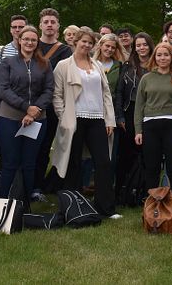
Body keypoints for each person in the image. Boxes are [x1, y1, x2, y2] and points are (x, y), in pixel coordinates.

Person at [51, 26, 119, 219]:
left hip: (97, 119)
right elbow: (57, 95)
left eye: (90, 43)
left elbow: (106, 93)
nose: (87, 45)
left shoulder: (96, 65)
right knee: (73, 164)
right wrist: (63, 117)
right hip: (75, 120)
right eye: (83, 42)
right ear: (76, 42)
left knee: (104, 163)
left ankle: (105, 208)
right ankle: (71, 206)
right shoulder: (64, 65)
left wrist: (110, 120)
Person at [0, 25, 54, 198]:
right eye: (26, 39)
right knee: (10, 162)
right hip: (9, 118)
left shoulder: (45, 64)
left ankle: (25, 200)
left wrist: (34, 111)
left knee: (29, 162)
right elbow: (3, 89)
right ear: (19, 40)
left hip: (37, 119)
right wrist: (25, 107)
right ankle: (5, 199)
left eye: (33, 40)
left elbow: (49, 90)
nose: (29, 42)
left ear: (37, 43)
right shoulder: (8, 62)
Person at [134, 43, 172, 199]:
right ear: (155, 57)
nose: (162, 58)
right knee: (152, 167)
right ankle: (152, 204)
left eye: (166, 55)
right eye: (159, 55)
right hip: (150, 126)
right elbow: (139, 105)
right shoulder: (146, 78)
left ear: (171, 57)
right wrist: (138, 130)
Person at [32, 8, 72, 201]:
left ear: (58, 26)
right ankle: (25, 185)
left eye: (52, 22)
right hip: (31, 105)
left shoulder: (65, 51)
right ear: (40, 25)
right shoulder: (31, 44)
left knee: (46, 147)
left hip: (53, 106)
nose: (49, 25)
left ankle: (39, 186)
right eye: (46, 21)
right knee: (31, 147)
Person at [114, 33, 154, 203]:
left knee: (147, 154)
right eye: (138, 45)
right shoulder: (127, 66)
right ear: (134, 47)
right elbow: (120, 93)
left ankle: (144, 191)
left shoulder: (157, 65)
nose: (141, 48)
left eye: (144, 44)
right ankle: (122, 191)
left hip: (150, 113)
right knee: (125, 154)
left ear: (150, 46)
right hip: (129, 111)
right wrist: (120, 116)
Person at [94, 33, 126, 188]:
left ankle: (107, 185)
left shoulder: (118, 66)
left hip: (110, 111)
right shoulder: (90, 63)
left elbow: (119, 92)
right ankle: (87, 183)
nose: (109, 49)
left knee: (110, 151)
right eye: (107, 46)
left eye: (113, 47)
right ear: (100, 45)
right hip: (91, 110)